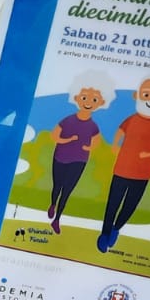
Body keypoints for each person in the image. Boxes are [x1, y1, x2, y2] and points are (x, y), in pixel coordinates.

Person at [97, 77, 150, 252]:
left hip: (143, 173)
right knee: (112, 203)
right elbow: (120, 130)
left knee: (130, 205)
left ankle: (116, 228)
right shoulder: (132, 119)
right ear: (137, 96)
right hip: (122, 169)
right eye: (147, 95)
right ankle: (104, 233)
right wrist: (115, 145)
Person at [47, 77, 108, 232]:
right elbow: (54, 136)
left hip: (79, 160)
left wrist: (89, 147)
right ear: (77, 99)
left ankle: (57, 219)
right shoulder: (67, 120)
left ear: (99, 103)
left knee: (67, 191)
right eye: (85, 98)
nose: (88, 102)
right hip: (60, 157)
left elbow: (96, 141)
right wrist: (67, 140)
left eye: (94, 100)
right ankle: (53, 204)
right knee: (57, 186)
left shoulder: (93, 126)